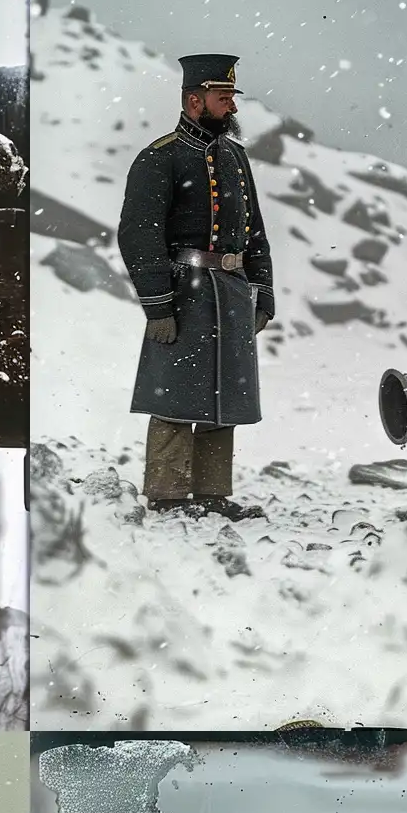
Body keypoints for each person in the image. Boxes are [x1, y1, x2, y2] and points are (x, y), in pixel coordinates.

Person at [115, 54, 274, 519]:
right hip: (185, 293)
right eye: (223, 98)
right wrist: (158, 305)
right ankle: (166, 498)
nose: (232, 108)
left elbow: (255, 232)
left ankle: (211, 496)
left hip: (230, 293)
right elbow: (139, 235)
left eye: (231, 98)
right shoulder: (159, 157)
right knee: (174, 397)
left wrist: (261, 292)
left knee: (223, 396)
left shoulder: (236, 158)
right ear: (193, 100)